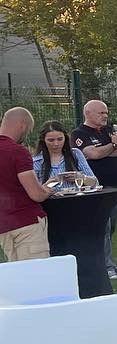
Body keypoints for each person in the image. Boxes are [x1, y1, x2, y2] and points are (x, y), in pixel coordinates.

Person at [72, 99, 117, 278]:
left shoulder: (108, 131)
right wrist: (112, 146)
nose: (105, 116)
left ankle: (109, 262)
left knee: (111, 227)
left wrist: (107, 149)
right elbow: (92, 154)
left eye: (106, 112)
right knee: (102, 228)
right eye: (101, 113)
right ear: (88, 113)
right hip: (99, 187)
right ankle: (105, 266)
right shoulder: (79, 133)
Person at [0, 107, 52, 261]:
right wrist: (48, 189)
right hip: (26, 223)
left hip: (3, 225)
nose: (27, 134)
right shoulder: (17, 151)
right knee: (36, 274)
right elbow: (36, 194)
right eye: (29, 129)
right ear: (22, 125)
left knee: (17, 275)